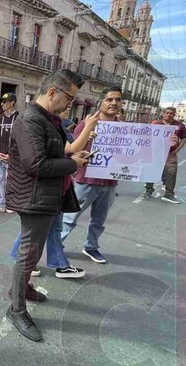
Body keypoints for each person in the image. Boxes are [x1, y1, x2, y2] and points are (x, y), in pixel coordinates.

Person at [6, 70, 89, 341]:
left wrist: (74, 154)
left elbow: (59, 151)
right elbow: (35, 165)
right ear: (53, 92)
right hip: (34, 199)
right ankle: (17, 309)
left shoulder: (49, 119)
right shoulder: (30, 119)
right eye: (69, 98)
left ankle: (24, 289)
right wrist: (73, 163)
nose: (70, 104)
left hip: (49, 197)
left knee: (35, 250)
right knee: (28, 255)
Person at [60, 87, 124, 266]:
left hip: (110, 182)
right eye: (109, 99)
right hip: (85, 180)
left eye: (117, 100)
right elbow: (73, 149)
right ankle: (56, 245)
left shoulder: (124, 127)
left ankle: (91, 246)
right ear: (101, 102)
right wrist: (88, 135)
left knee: (99, 219)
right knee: (69, 218)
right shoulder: (87, 123)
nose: (113, 103)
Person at [143, 107, 186, 203]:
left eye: (171, 113)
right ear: (163, 114)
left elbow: (184, 138)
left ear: (174, 114)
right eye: (167, 113)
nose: (169, 115)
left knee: (171, 174)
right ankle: (148, 190)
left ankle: (169, 195)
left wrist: (177, 150)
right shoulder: (155, 123)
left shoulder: (179, 125)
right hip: (155, 152)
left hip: (170, 154)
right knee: (151, 172)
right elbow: (147, 136)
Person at [0, 93, 19, 214]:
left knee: (10, 181)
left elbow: (21, 139)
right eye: (1, 102)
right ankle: (0, 204)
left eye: (5, 101)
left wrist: (12, 154)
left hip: (13, 157)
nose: (2, 104)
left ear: (12, 103)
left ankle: (10, 204)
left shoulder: (19, 118)